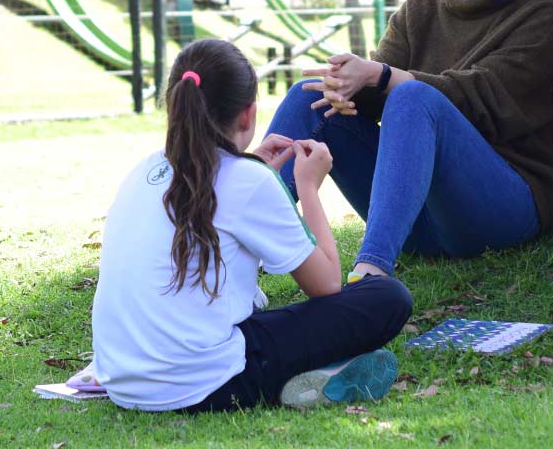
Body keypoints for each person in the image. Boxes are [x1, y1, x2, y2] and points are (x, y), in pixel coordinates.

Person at [265, 0, 553, 282]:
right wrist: (347, 84)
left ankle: (371, 273)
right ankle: (236, 244)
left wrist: (385, 76)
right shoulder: (418, 11)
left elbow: (486, 98)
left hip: (498, 208)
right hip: (417, 219)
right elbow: (373, 98)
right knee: (310, 96)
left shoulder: (539, 16)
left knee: (412, 97)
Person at [91, 38, 412, 412]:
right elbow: (326, 285)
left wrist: (254, 174)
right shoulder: (247, 180)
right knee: (387, 298)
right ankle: (311, 377)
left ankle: (317, 374)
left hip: (122, 383)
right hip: (207, 386)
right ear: (248, 114)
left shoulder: (145, 168)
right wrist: (308, 186)